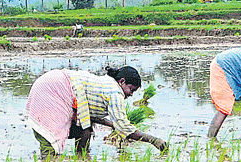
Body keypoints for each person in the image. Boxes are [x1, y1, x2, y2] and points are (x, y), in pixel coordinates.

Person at [27, 66, 167, 155]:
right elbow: (125, 128)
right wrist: (153, 140)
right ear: (122, 81)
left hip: (50, 82)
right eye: (131, 89)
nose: (130, 94)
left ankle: (81, 160)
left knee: (85, 129)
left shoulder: (106, 83)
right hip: (54, 89)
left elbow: (88, 115)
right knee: (49, 140)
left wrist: (112, 125)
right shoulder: (115, 92)